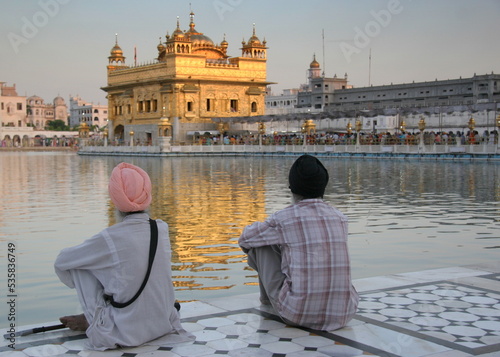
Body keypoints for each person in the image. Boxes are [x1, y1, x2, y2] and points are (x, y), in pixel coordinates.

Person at [54, 162, 187, 350]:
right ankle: (105, 313)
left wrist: (102, 277)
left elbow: (62, 261)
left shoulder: (109, 238)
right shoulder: (161, 228)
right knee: (109, 264)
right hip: (163, 324)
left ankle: (96, 320)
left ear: (114, 199)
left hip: (125, 332)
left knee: (80, 264)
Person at [238, 154, 359, 331]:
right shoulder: (340, 218)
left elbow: (245, 239)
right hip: (345, 313)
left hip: (297, 313)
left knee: (261, 244)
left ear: (291, 188)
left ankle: (268, 301)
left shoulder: (284, 219)